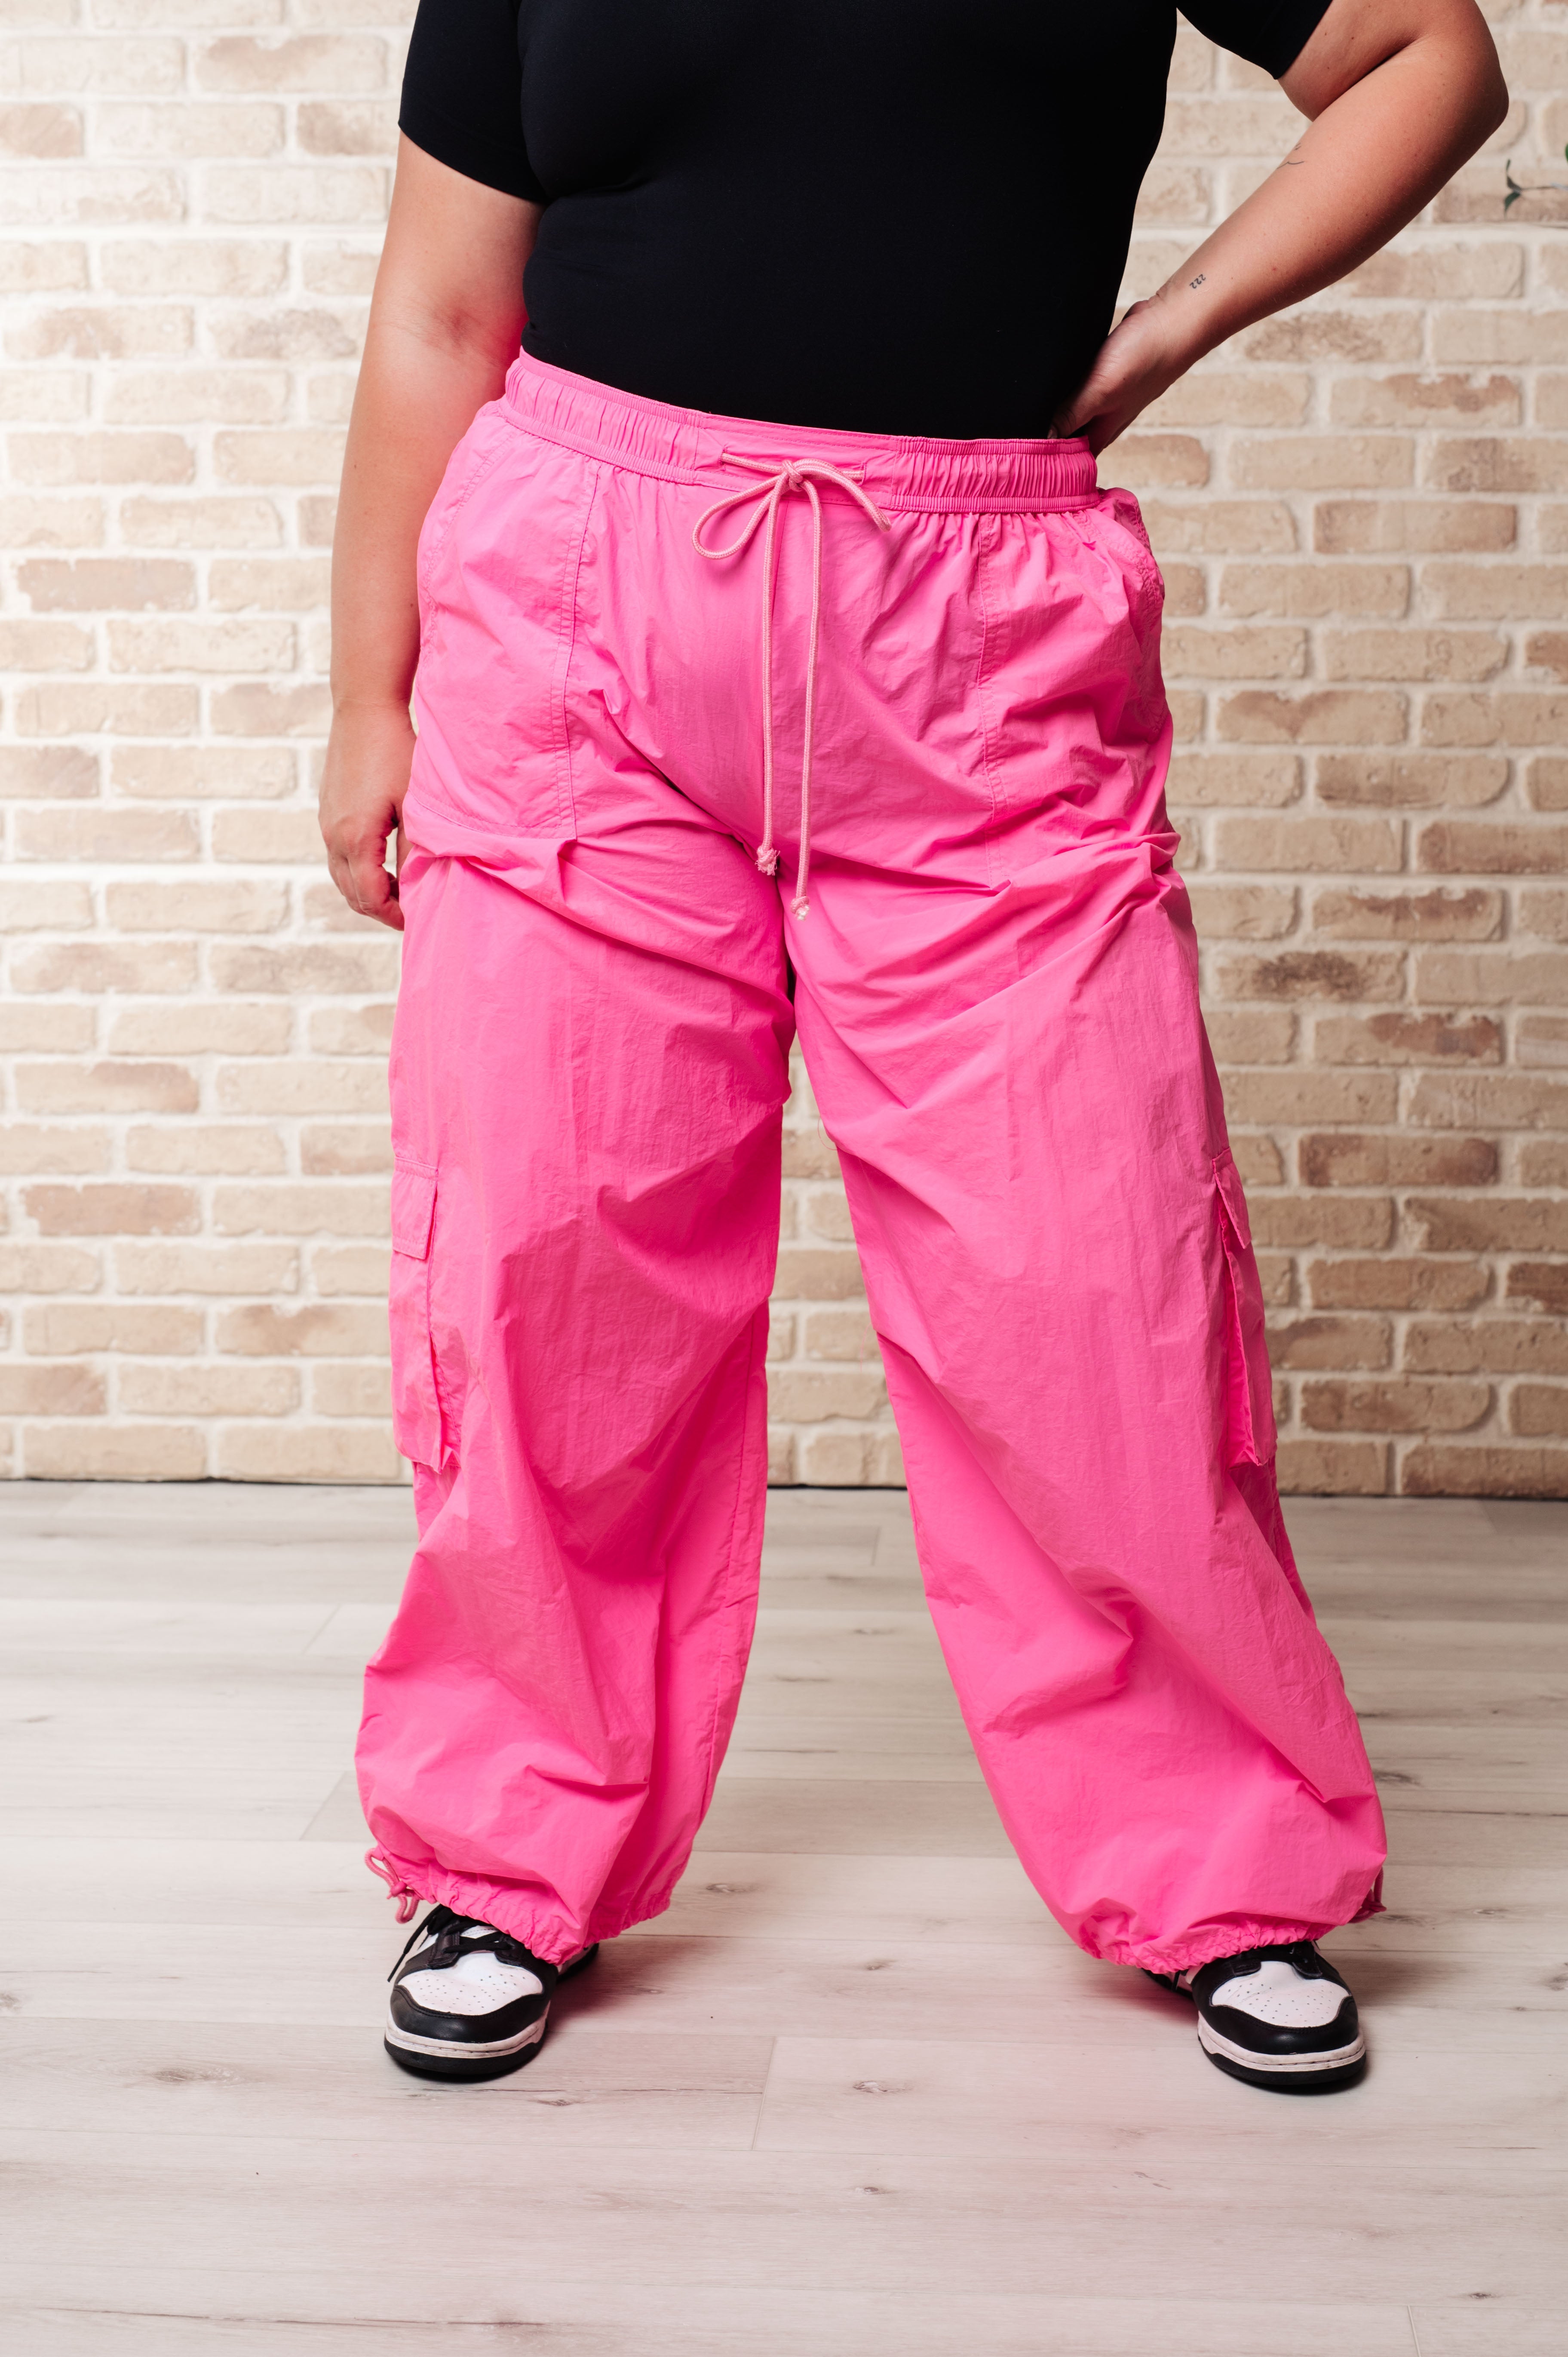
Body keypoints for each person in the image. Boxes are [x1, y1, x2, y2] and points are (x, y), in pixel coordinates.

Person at [321, 0, 1507, 2095]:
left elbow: (1433, 56)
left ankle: (1221, 1871)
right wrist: (367, 700)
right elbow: (439, 304)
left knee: (1092, 1282)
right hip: (576, 622)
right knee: (551, 1268)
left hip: (981, 637)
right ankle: (507, 1857)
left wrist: (1167, 330)